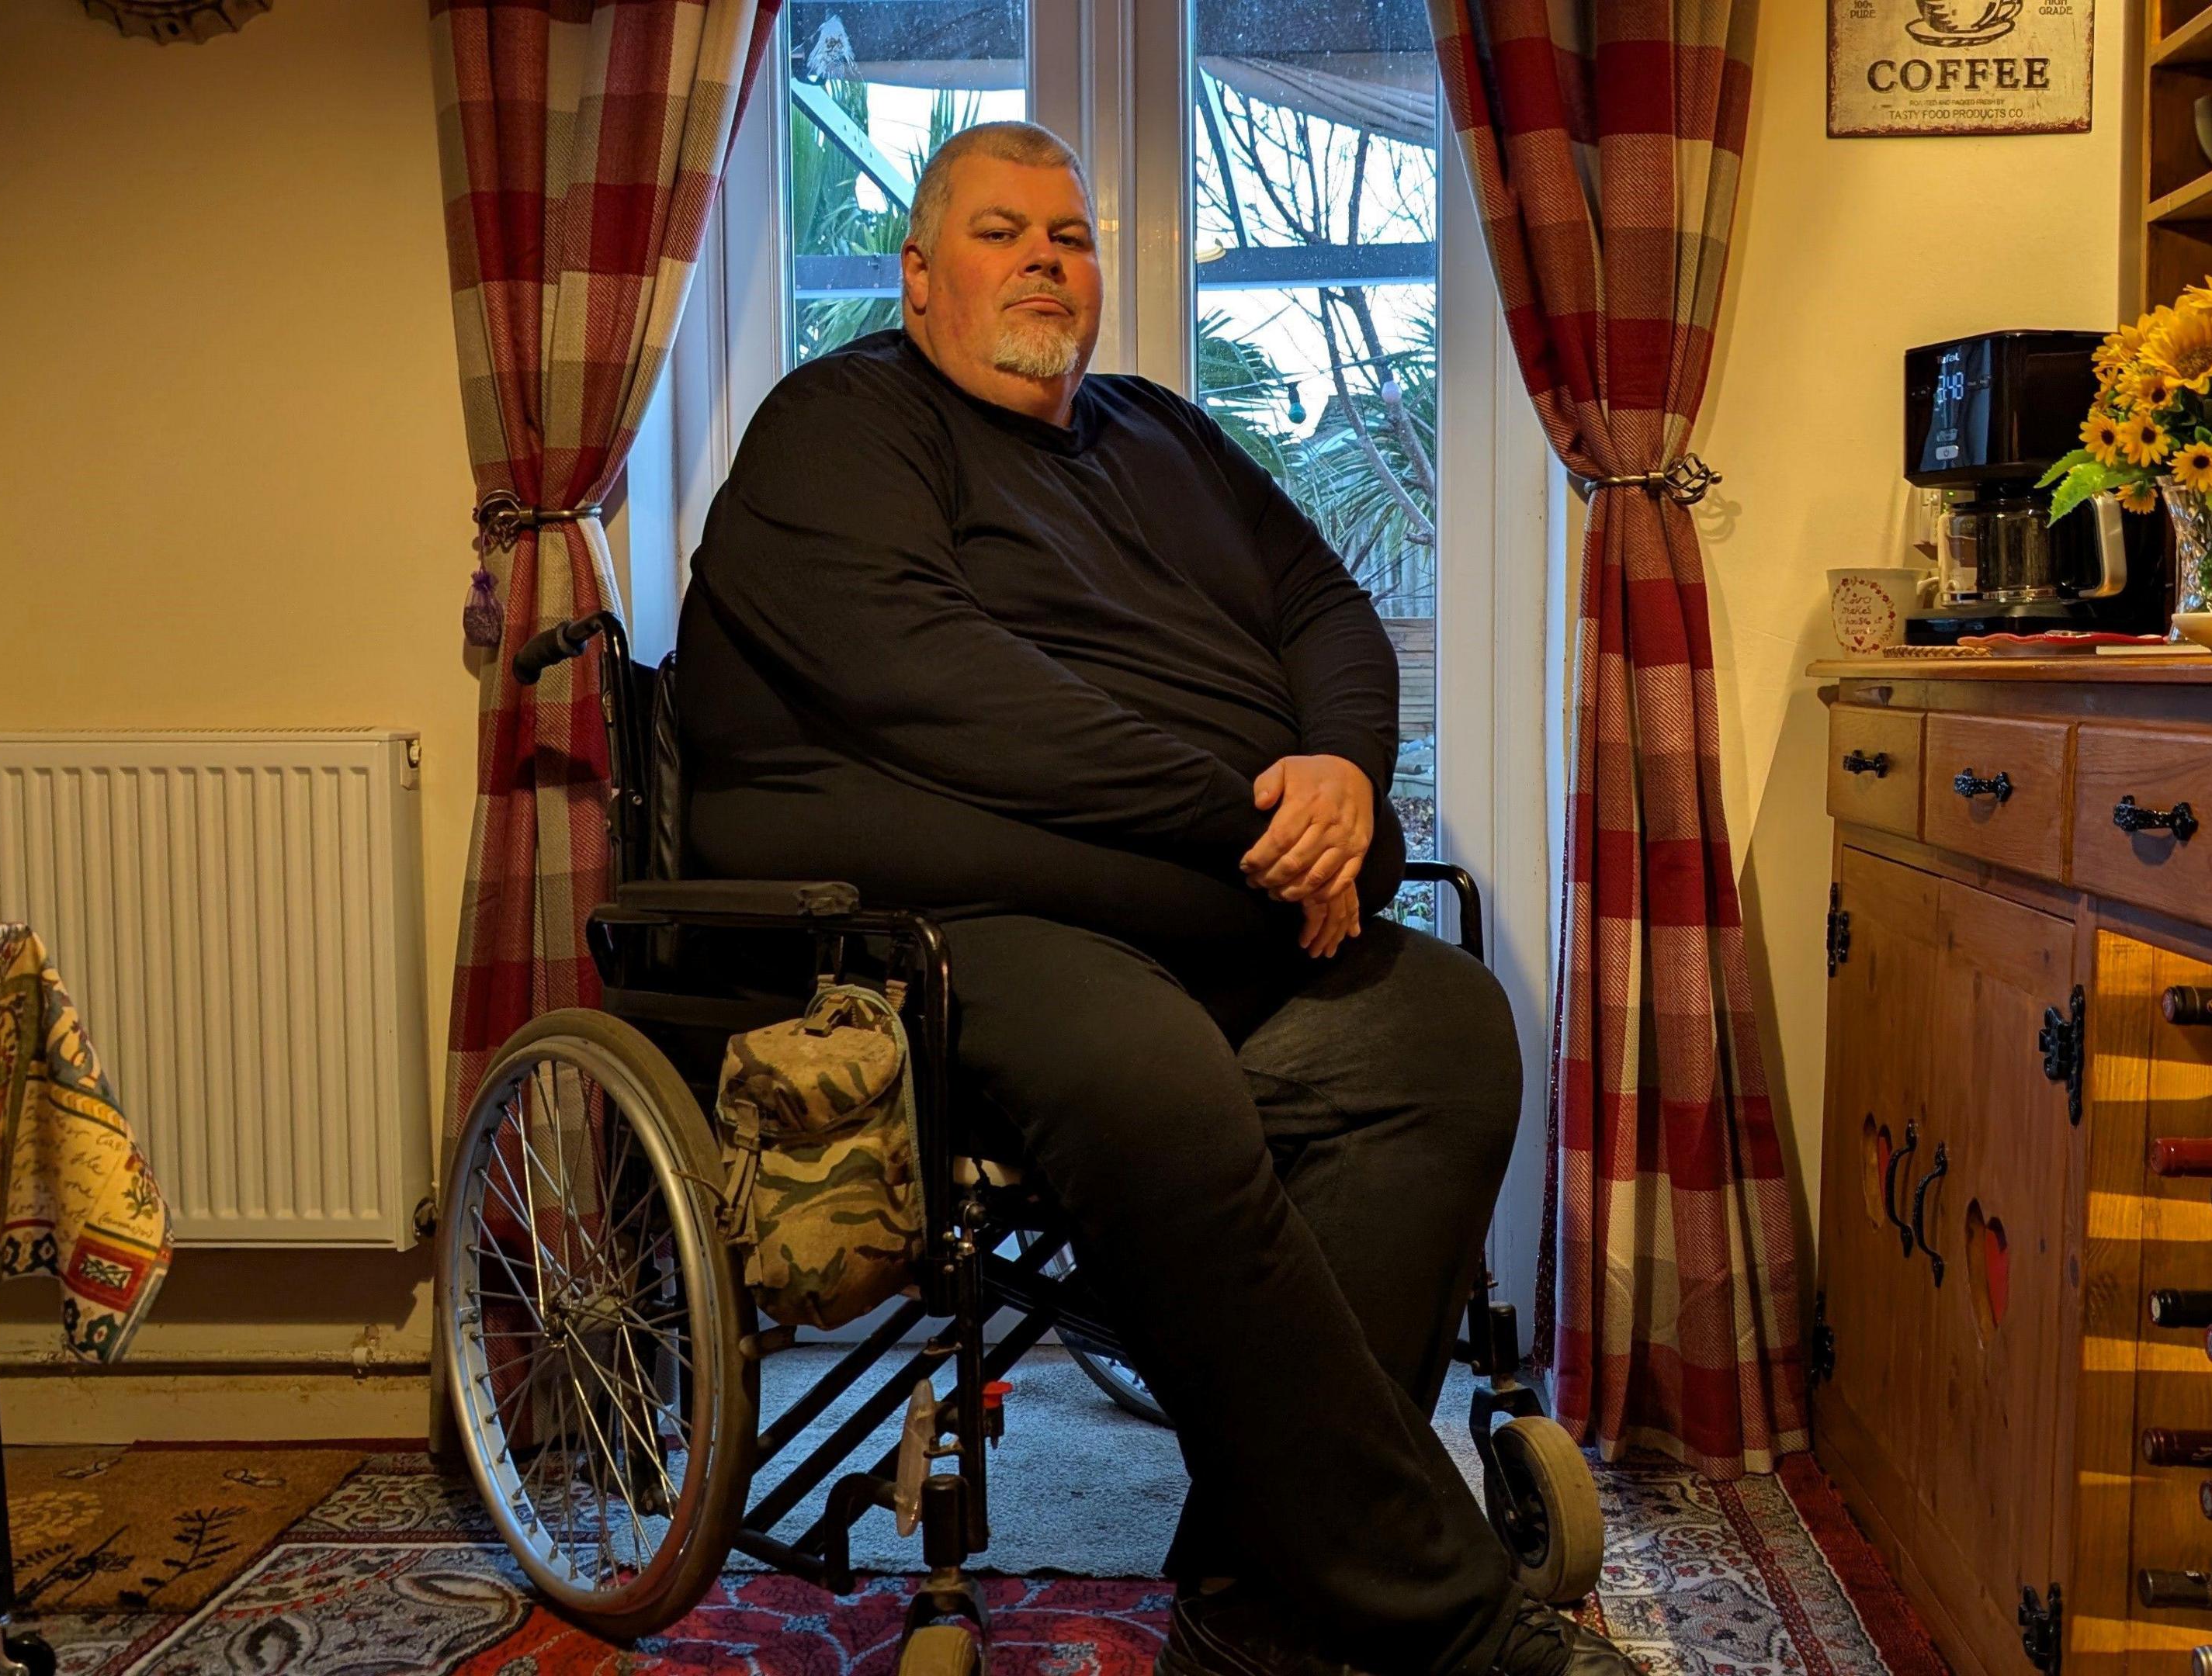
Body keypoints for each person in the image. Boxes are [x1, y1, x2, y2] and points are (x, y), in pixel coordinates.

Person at [674, 120, 1632, 1676]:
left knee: (1443, 1026)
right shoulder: (841, 421)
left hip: (1210, 905)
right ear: (918, 277)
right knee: (1147, 1075)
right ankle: (1448, 1618)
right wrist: (1254, 823)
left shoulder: (1158, 434)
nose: (1048, 256)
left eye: (1072, 232)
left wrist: (1334, 768)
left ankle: (1256, 1599)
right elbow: (939, 689)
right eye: (1001, 230)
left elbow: (1323, 601)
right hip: (949, 928)